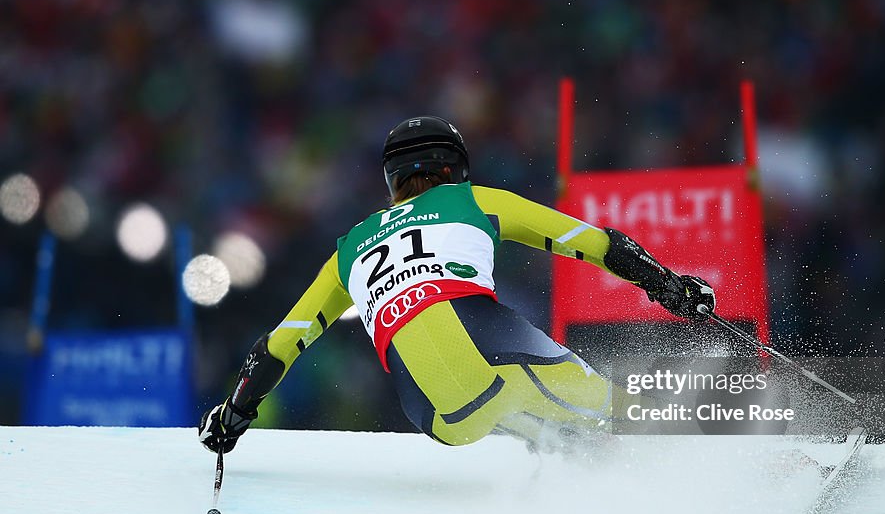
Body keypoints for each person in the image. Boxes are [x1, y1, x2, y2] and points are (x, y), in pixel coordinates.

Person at [199, 115, 715, 455]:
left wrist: (234, 415)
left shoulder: (348, 249)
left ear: (392, 182)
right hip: (487, 345)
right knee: (621, 412)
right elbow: (592, 243)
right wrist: (668, 286)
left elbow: (278, 346)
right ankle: (737, 463)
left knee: (555, 437)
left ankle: (592, 488)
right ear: (457, 170)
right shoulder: (473, 200)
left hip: (429, 409)